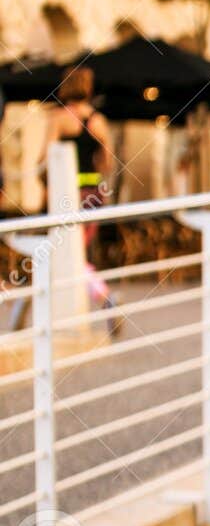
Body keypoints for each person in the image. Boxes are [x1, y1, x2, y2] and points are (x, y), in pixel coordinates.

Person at [37, 66, 119, 332]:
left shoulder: (59, 119)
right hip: (94, 193)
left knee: (70, 253)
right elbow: (107, 163)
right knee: (75, 251)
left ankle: (104, 295)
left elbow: (44, 160)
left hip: (67, 195)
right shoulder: (99, 121)